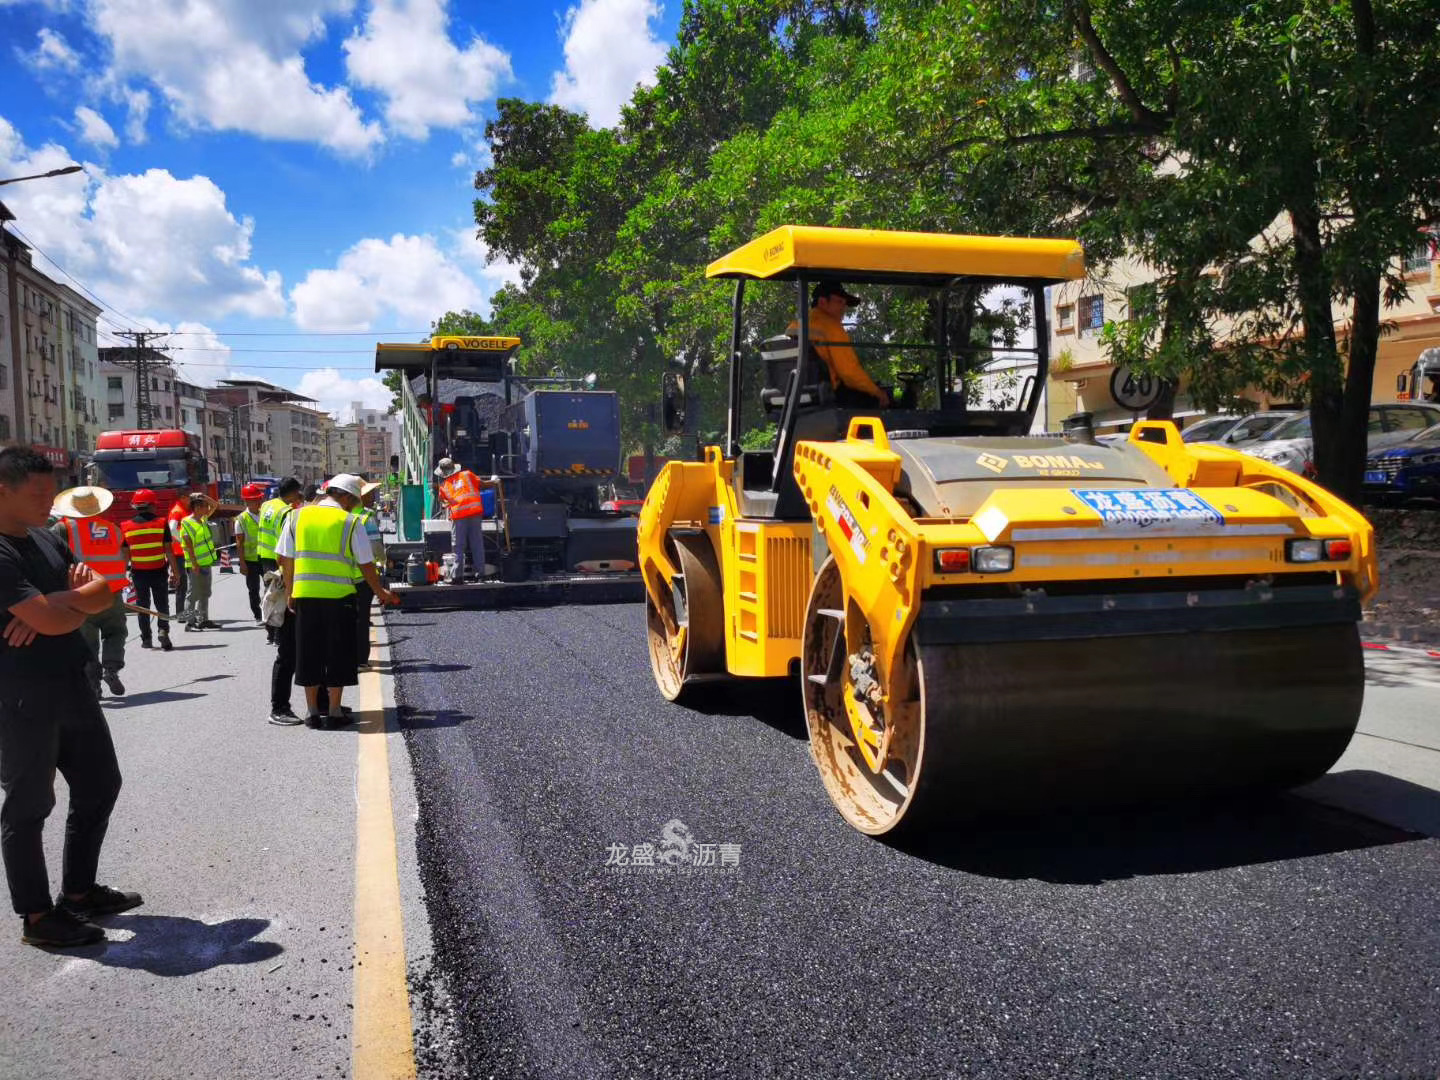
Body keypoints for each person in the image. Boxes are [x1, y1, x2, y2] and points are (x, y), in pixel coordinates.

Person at [0, 446, 141, 948]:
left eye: (50, 492)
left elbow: (104, 592)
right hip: (20, 697)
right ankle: (37, 918)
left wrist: (63, 607)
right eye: (38, 494)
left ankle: (78, 894)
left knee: (101, 784)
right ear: (3, 491)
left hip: (71, 681)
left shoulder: (46, 537)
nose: (49, 503)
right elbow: (60, 611)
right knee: (29, 806)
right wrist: (68, 607)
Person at [276, 474, 397, 729]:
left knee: (309, 652)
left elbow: (285, 558)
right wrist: (381, 592)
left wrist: (290, 592)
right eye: (353, 501)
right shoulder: (350, 522)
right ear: (344, 496)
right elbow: (366, 564)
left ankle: (311, 713)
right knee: (337, 653)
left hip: (305, 596)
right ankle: (333, 711)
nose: (353, 506)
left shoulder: (296, 516)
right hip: (340, 597)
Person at [51, 486, 129, 698]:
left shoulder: (62, 529)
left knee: (87, 640)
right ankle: (111, 668)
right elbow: (123, 556)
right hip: (111, 593)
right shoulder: (113, 529)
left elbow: (49, 558)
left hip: (81, 595)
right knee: (116, 632)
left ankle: (93, 684)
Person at [787, 279, 890, 408]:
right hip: (830, 396)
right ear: (823, 302)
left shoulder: (795, 326)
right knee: (885, 403)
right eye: (839, 302)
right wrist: (877, 392)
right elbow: (849, 374)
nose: (844, 308)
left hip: (796, 397)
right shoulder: (831, 327)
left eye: (845, 304)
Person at [120, 489, 178, 652]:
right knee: (162, 604)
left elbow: (125, 556)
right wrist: (176, 572)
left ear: (135, 506)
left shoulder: (125, 526)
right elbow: (169, 551)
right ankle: (163, 630)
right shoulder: (161, 523)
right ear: (152, 505)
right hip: (159, 571)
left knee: (142, 607)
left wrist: (122, 577)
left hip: (139, 573)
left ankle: (146, 638)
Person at [256, 478, 303, 646]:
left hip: (264, 556)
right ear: (292, 493)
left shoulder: (267, 505)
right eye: (297, 492)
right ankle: (278, 634)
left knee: (270, 593)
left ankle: (270, 632)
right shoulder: (286, 512)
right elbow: (286, 540)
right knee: (281, 596)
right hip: (279, 558)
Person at [433, 458, 489, 582]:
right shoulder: (468, 474)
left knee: (458, 546)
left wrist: (447, 502)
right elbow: (483, 485)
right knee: (477, 544)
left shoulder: (444, 486)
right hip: (475, 514)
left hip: (459, 517)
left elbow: (442, 500)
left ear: (443, 473)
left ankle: (457, 577)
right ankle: (481, 575)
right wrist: (494, 481)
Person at [351, 481, 383, 668]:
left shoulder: (342, 515)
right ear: (360, 497)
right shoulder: (366, 517)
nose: (372, 497)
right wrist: (384, 561)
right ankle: (361, 661)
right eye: (369, 494)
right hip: (363, 579)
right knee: (362, 620)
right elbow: (376, 547)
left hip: (344, 578)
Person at [178, 493, 219, 631]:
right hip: (195, 565)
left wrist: (204, 496)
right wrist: (194, 564)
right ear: (196, 508)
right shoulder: (186, 522)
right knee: (193, 594)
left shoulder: (203, 519)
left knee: (205, 593)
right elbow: (188, 544)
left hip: (206, 562)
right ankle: (189, 623)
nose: (207, 508)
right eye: (203, 506)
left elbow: (215, 505)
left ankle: (203, 620)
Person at [233, 483, 266, 624]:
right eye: (255, 500)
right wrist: (242, 564)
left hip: (265, 558)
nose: (258, 503)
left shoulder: (266, 514)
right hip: (250, 561)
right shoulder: (241, 519)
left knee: (271, 587)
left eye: (259, 499)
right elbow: (239, 543)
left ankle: (268, 613)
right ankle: (258, 615)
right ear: (247, 501)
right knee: (253, 590)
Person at [166, 492, 190, 624]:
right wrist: (183, 541)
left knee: (183, 584)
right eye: (188, 497)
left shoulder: (182, 510)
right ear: (182, 497)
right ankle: (181, 613)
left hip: (180, 552)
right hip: (179, 553)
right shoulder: (177, 511)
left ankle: (182, 612)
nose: (190, 499)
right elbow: (172, 528)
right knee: (181, 584)